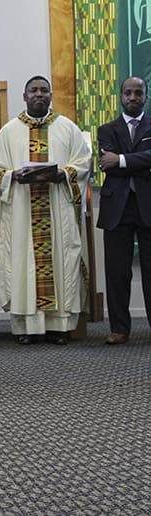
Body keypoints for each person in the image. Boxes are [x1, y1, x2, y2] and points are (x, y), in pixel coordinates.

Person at [0, 75, 91, 345]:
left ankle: (59, 326)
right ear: (24, 96)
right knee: (23, 264)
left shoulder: (68, 128)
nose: (39, 94)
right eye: (33, 90)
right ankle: (26, 327)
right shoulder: (9, 131)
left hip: (57, 208)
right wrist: (13, 176)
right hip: (22, 212)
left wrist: (63, 174)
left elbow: (83, 163)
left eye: (44, 90)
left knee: (61, 261)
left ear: (51, 95)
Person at [97, 76, 151, 345]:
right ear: (120, 97)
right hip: (117, 207)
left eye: (138, 93)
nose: (133, 97)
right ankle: (119, 328)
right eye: (128, 93)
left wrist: (119, 159)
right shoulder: (106, 130)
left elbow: (114, 162)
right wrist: (138, 163)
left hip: (148, 205)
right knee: (117, 271)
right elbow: (104, 163)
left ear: (146, 97)